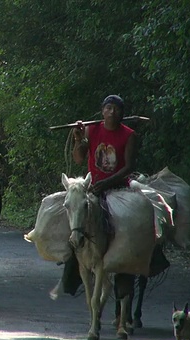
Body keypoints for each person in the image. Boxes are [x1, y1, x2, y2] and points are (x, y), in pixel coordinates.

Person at [61, 95, 169, 297]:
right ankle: (72, 265)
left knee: (136, 220)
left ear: (122, 113)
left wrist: (107, 183)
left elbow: (129, 167)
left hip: (119, 188)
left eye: (117, 109)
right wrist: (78, 139)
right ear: (102, 111)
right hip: (92, 188)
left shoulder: (129, 135)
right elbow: (78, 159)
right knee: (74, 216)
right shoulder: (91, 130)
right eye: (108, 108)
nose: (112, 112)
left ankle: (146, 256)